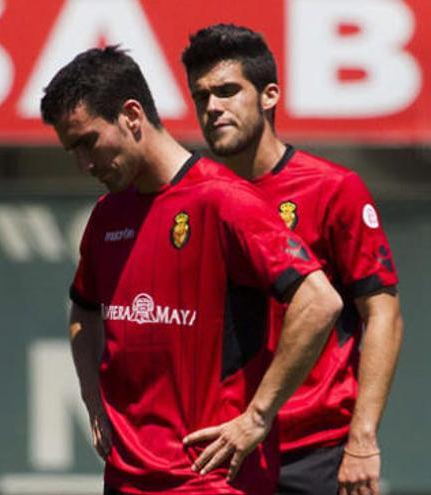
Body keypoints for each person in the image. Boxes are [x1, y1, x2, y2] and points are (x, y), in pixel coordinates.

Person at [40, 46, 343, 495]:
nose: (84, 164)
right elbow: (84, 311)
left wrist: (257, 417)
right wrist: (92, 399)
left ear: (131, 114)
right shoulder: (107, 216)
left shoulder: (225, 201)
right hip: (125, 479)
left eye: (88, 142)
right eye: (73, 150)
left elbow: (320, 301)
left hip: (212, 479)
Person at [181, 24, 404, 495]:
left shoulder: (332, 189)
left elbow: (383, 313)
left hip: (313, 451)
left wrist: (362, 440)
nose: (212, 107)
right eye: (201, 96)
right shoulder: (190, 196)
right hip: (218, 447)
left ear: (269, 95)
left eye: (226, 91)